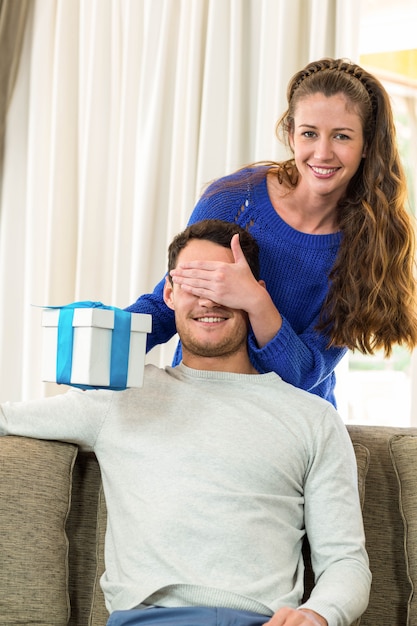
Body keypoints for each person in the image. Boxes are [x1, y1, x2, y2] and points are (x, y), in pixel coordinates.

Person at [0, 220, 371, 626]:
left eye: (222, 283)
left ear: (254, 293)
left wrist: (318, 615)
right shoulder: (118, 400)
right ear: (170, 294)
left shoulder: (312, 418)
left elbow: (346, 562)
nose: (209, 300)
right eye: (194, 283)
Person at [126, 57, 417, 408]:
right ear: (291, 133)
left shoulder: (366, 246)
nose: (322, 153)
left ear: (366, 144)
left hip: (295, 421)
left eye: (341, 136)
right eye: (309, 133)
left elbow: (306, 372)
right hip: (201, 406)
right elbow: (166, 305)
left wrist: (254, 299)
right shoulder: (235, 200)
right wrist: (95, 337)